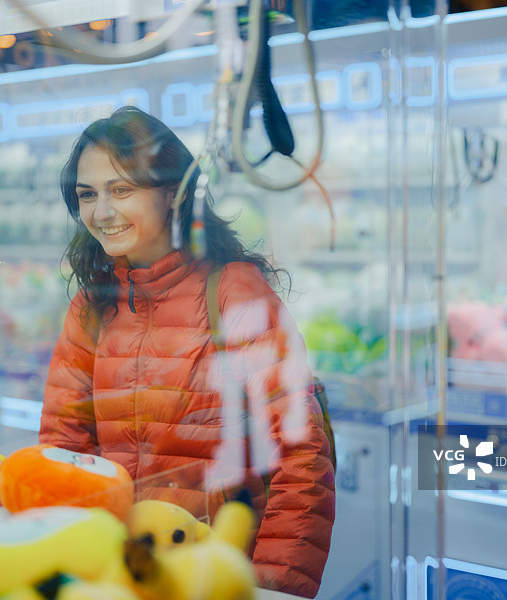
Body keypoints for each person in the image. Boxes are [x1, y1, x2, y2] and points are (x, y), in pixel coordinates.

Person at [39, 105, 335, 598]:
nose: (102, 212)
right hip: (120, 576)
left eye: (122, 189)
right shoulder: (91, 305)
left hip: (214, 577)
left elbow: (300, 458)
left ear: (174, 192)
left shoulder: (233, 292)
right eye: (87, 194)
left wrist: (270, 589)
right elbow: (62, 454)